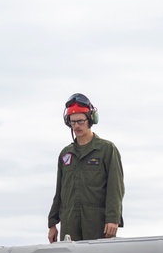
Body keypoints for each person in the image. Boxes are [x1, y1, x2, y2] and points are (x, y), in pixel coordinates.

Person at [47, 93, 124, 244]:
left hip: (97, 223)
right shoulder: (65, 154)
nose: (76, 126)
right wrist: (52, 223)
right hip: (70, 223)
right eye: (72, 122)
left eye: (80, 121)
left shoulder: (106, 150)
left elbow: (116, 188)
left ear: (90, 120)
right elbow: (59, 191)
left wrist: (113, 219)